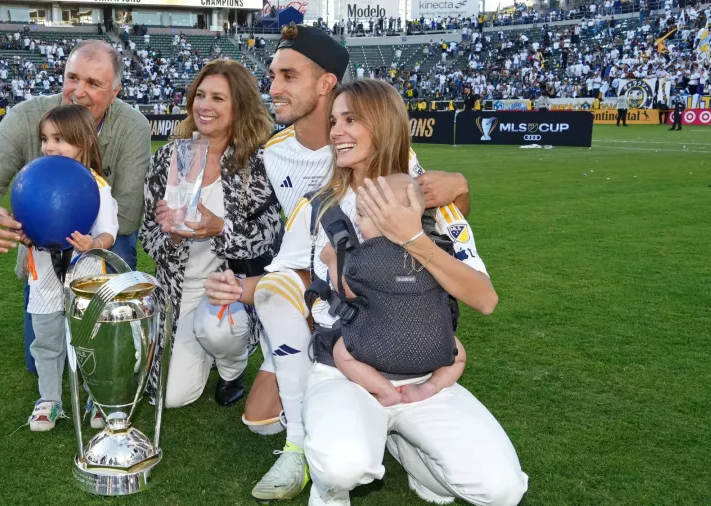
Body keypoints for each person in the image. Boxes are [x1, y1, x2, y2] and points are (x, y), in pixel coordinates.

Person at [204, 25, 471, 502]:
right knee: (258, 415)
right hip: (306, 291)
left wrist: (457, 185)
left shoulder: (375, 145)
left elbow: (440, 217)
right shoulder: (272, 154)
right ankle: (345, 422)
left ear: (325, 83)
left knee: (280, 303)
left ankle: (310, 443)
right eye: (272, 75)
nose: (273, 87)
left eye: (288, 76)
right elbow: (283, 250)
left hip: (369, 299)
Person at [301, 79, 527, 506]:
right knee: (342, 464)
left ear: (384, 125)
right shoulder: (324, 204)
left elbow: (485, 299)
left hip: (423, 372)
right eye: (333, 121)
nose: (336, 131)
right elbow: (316, 288)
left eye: (351, 119)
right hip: (344, 369)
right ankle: (331, 488)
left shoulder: (435, 204)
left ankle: (411, 452)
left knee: (503, 489)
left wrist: (412, 239)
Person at [0, 40, 150, 374]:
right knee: (39, 363)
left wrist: (73, 227)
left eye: (93, 83)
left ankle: (107, 312)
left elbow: (126, 216)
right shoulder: (26, 117)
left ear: (116, 91)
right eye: (73, 77)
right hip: (40, 249)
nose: (78, 91)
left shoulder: (133, 127)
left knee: (120, 242)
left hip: (98, 244)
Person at [140, 60, 280, 409]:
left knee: (218, 330)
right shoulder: (170, 156)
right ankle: (202, 349)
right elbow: (146, 233)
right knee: (170, 398)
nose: (204, 105)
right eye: (200, 95)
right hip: (176, 291)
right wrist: (172, 236)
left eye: (218, 98)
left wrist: (220, 228)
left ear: (239, 106)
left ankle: (231, 368)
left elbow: (268, 236)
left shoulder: (257, 162)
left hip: (230, 288)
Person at [317, 173, 468, 407]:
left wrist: (331, 261)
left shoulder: (368, 257)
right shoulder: (436, 252)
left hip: (379, 346)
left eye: (362, 216)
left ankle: (384, 390)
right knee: (459, 358)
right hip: (434, 346)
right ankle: (431, 386)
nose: (356, 222)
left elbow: (346, 291)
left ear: (386, 219)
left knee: (341, 352)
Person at [24, 104, 118, 431]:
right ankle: (49, 400)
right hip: (44, 278)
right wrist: (26, 240)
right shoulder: (35, 177)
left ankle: (97, 398)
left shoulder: (97, 185)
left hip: (86, 274)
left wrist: (94, 243)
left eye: (60, 139)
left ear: (85, 142)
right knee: (46, 339)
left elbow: (108, 232)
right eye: (45, 138)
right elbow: (30, 220)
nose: (49, 146)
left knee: (90, 339)